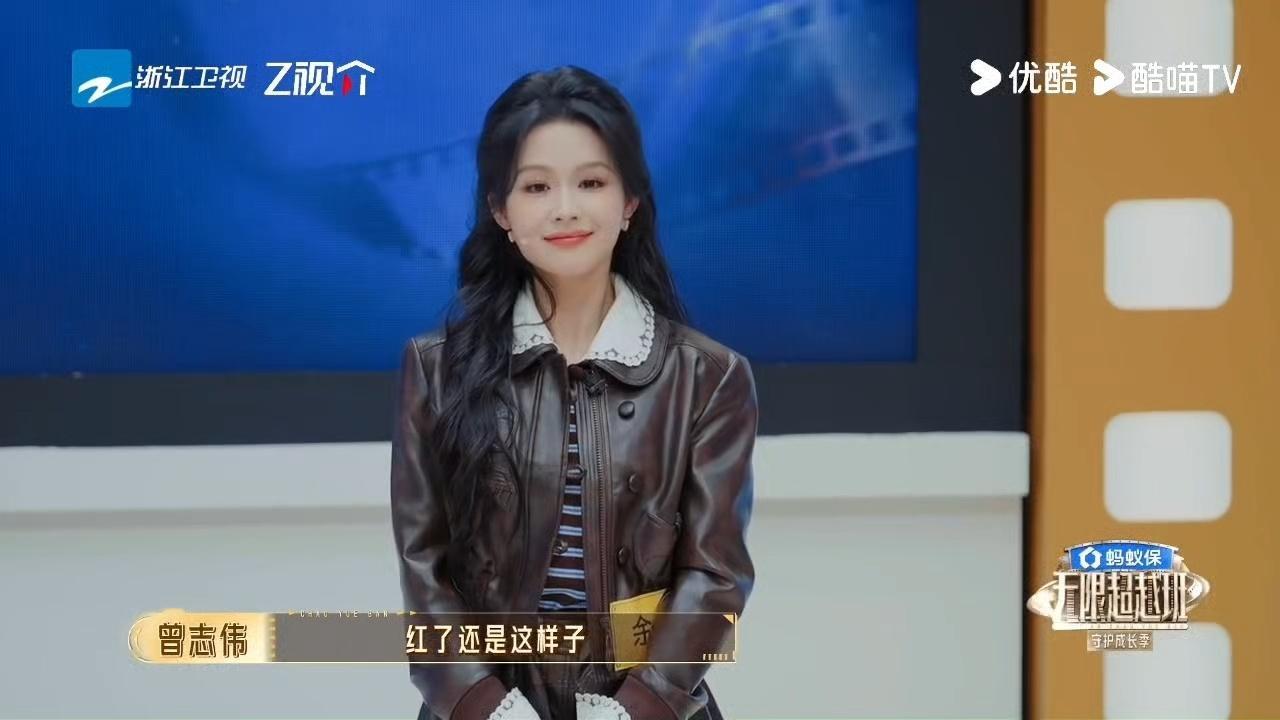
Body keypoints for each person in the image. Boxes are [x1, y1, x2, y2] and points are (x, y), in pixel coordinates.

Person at [390, 65, 758, 720]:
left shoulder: (708, 377)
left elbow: (714, 578)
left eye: (591, 182)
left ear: (630, 201)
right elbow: (425, 570)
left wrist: (637, 708)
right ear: (500, 210)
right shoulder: (437, 368)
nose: (565, 207)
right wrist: (486, 705)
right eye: (536, 186)